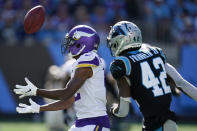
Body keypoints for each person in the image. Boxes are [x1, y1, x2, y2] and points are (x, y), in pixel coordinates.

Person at [14, 25, 110, 131]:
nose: (69, 45)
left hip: (94, 122)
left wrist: (37, 91)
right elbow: (68, 100)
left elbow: (65, 93)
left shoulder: (89, 59)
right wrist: (39, 108)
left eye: (72, 41)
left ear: (82, 43)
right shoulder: (80, 63)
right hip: (82, 122)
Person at [107, 21, 197, 131]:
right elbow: (181, 83)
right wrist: (173, 88)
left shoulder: (122, 64)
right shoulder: (153, 52)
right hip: (169, 123)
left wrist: (112, 109)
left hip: (154, 125)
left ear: (121, 40)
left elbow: (122, 112)